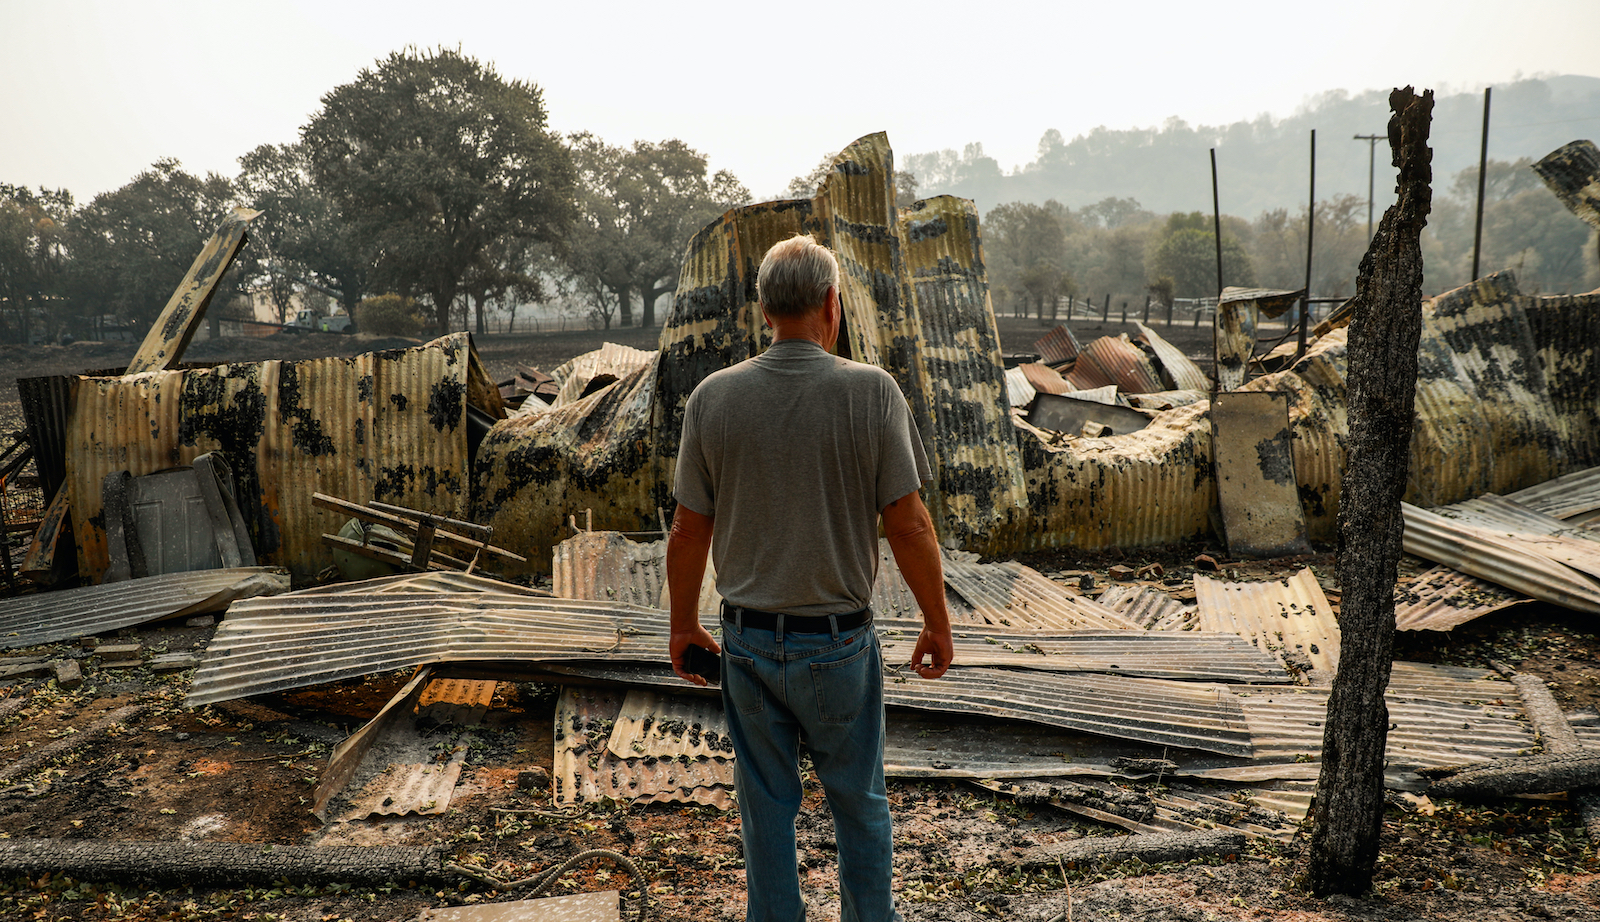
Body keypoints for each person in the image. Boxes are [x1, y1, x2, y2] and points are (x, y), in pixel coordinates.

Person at [666, 233, 954, 922]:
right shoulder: (871, 393)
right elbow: (908, 526)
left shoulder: (714, 399)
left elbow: (687, 531)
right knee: (858, 804)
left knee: (765, 811)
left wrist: (681, 625)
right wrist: (937, 622)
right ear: (832, 303)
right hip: (839, 648)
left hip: (750, 645)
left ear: (764, 309)